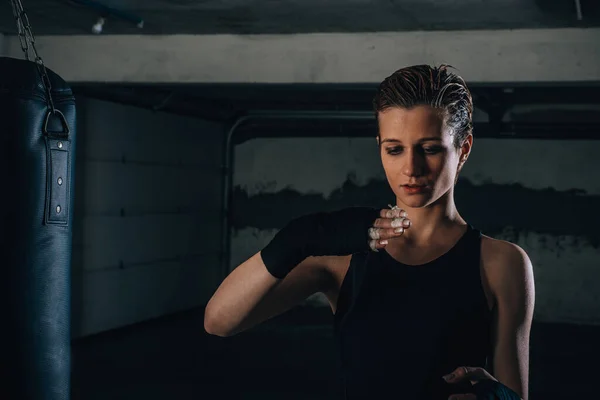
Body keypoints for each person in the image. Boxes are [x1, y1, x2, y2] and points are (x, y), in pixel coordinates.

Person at [204, 64, 535, 400]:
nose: (411, 168)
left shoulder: (501, 264)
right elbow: (218, 321)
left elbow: (514, 394)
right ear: (380, 147)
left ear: (463, 149)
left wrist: (498, 398)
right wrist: (299, 237)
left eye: (430, 148)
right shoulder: (343, 257)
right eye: (395, 149)